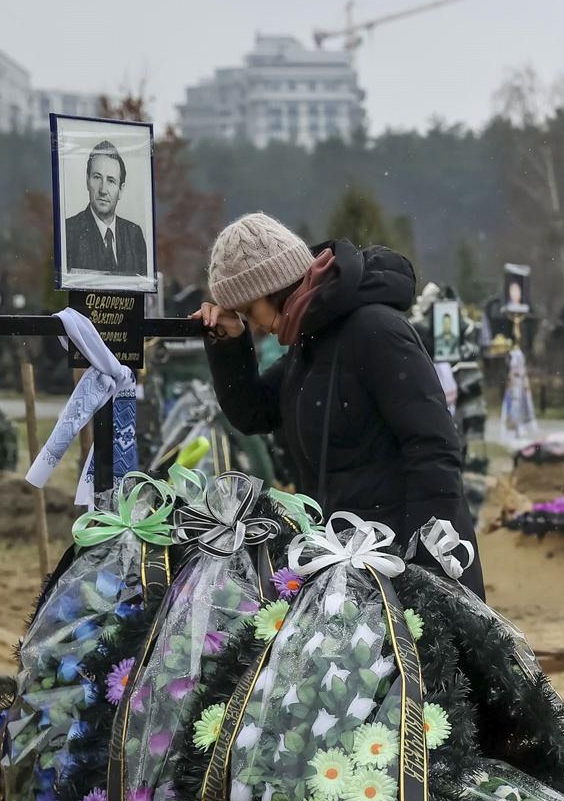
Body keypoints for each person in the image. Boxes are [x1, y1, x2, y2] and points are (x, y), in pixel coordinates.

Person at [191, 212, 485, 597]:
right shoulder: (308, 346)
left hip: (404, 563)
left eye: (250, 311)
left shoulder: (374, 330)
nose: (256, 326)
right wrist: (229, 344)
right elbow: (254, 412)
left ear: (274, 287)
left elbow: (433, 448)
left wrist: (427, 566)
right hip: (347, 563)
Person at [64, 140, 149, 276]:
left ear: (121, 190)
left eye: (111, 181)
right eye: (97, 177)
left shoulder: (134, 234)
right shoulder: (68, 231)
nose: (103, 190)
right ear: (87, 181)